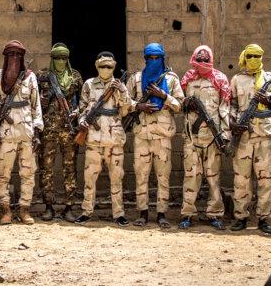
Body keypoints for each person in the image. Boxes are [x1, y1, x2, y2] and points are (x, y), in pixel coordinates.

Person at [125, 43, 183, 228]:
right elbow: (124, 103)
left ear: (163, 58)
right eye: (150, 58)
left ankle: (161, 214)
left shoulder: (171, 79)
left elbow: (180, 105)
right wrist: (139, 106)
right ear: (145, 59)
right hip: (142, 134)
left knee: (163, 177)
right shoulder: (136, 79)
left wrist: (163, 95)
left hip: (162, 136)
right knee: (141, 175)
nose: (153, 61)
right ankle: (142, 213)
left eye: (157, 58)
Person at [229, 44, 271, 234]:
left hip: (264, 135)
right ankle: (241, 217)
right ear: (245, 56)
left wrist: (268, 102)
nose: (253, 59)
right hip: (243, 136)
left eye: (257, 56)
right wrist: (233, 123)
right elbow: (232, 104)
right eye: (250, 55)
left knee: (265, 179)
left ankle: (263, 219)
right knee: (241, 179)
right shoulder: (237, 79)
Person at [75, 52, 133, 224]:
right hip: (93, 138)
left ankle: (118, 213)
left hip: (114, 139)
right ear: (97, 67)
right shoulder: (89, 84)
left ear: (113, 67)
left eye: (109, 67)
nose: (105, 69)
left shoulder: (119, 85)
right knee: (89, 178)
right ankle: (86, 211)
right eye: (102, 66)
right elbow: (82, 107)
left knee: (116, 178)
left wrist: (121, 90)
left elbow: (127, 107)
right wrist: (82, 121)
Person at [177, 45, 230, 230]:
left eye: (205, 61)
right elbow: (176, 102)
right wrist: (186, 103)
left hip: (212, 138)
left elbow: (224, 108)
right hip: (191, 137)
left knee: (213, 178)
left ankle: (215, 214)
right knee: (191, 177)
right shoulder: (187, 79)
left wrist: (225, 135)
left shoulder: (220, 79)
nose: (202, 64)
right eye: (199, 60)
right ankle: (188, 214)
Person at [0, 40, 44, 225]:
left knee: (28, 173)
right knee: (3, 174)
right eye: (11, 54)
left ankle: (24, 209)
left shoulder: (29, 77)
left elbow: (36, 105)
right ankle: (5, 210)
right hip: (6, 133)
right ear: (5, 57)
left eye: (18, 55)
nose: (15, 58)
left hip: (27, 133)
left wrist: (37, 133)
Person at [36, 42, 83, 221]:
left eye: (64, 58)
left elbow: (82, 101)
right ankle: (48, 206)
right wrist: (43, 102)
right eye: (57, 58)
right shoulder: (43, 76)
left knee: (69, 168)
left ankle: (68, 207)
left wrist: (77, 112)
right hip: (48, 129)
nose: (61, 61)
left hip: (69, 129)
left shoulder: (75, 77)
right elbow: (35, 103)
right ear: (52, 59)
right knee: (46, 168)